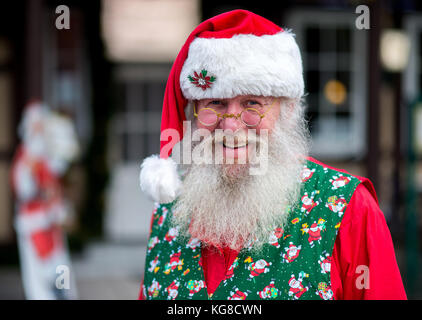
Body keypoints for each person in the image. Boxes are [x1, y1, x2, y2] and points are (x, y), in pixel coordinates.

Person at [138, 9, 406, 300]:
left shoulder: (349, 210)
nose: (230, 124)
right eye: (214, 103)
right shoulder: (170, 205)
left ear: (288, 110)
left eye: (252, 103)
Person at [11, 101, 79, 299]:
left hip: (53, 221)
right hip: (34, 224)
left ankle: (63, 294)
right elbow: (23, 188)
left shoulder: (49, 154)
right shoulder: (25, 157)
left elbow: (57, 180)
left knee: (60, 267)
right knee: (38, 277)